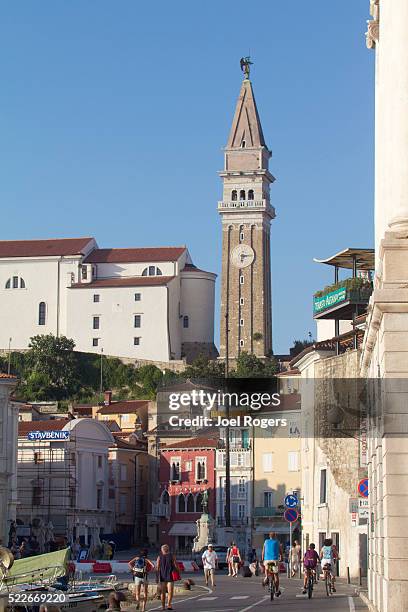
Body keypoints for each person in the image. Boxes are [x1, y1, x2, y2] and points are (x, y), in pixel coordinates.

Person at [156, 544, 178, 610]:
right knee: (170, 591)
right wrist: (178, 572)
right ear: (168, 549)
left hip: (162, 576)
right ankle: (169, 605)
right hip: (170, 575)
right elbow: (175, 565)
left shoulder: (159, 557)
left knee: (163, 592)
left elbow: (157, 568)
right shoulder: (172, 556)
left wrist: (157, 577)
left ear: (162, 550)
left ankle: (163, 607)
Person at [262, 532, 283, 598]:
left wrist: (262, 558)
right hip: (274, 560)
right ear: (275, 536)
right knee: (275, 575)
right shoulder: (277, 542)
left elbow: (263, 551)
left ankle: (266, 577)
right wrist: (281, 557)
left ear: (269, 536)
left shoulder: (266, 541)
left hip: (267, 560)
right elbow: (280, 551)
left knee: (267, 568)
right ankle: (277, 590)